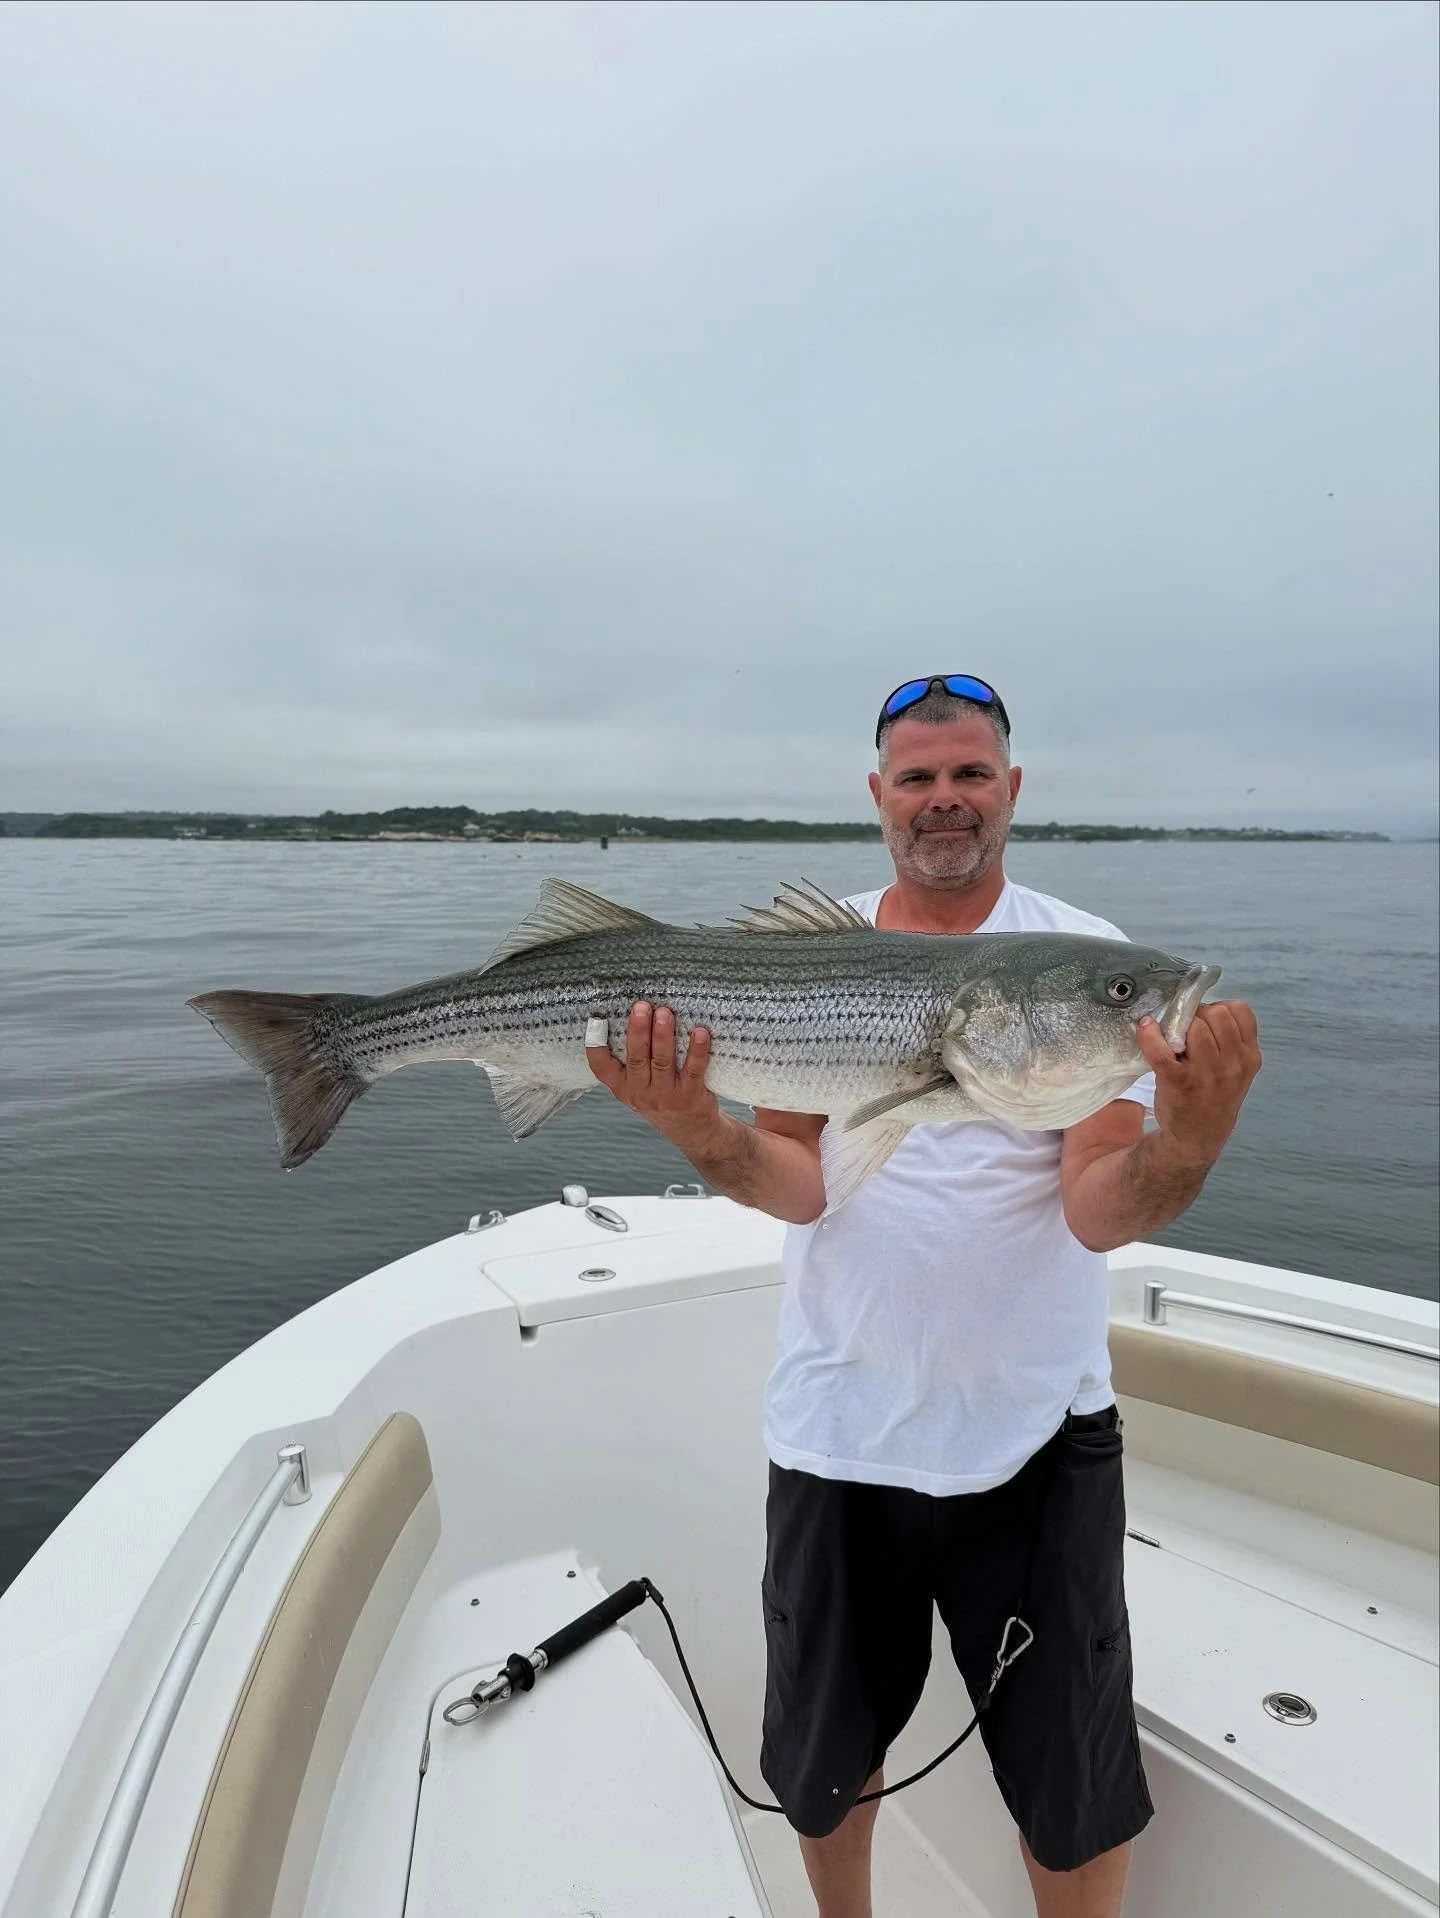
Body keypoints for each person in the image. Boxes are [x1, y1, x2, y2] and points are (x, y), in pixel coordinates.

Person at [585, 675, 1262, 1918]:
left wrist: (1192, 1141)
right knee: (825, 1768)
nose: (944, 798)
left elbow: (1097, 1205)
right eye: (918, 777)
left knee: (1070, 1780)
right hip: (840, 1429)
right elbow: (796, 1182)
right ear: (880, 795)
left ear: (1011, 789)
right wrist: (697, 1128)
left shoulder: (1084, 961)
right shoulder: (816, 952)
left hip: (1040, 1435)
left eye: (969, 774)